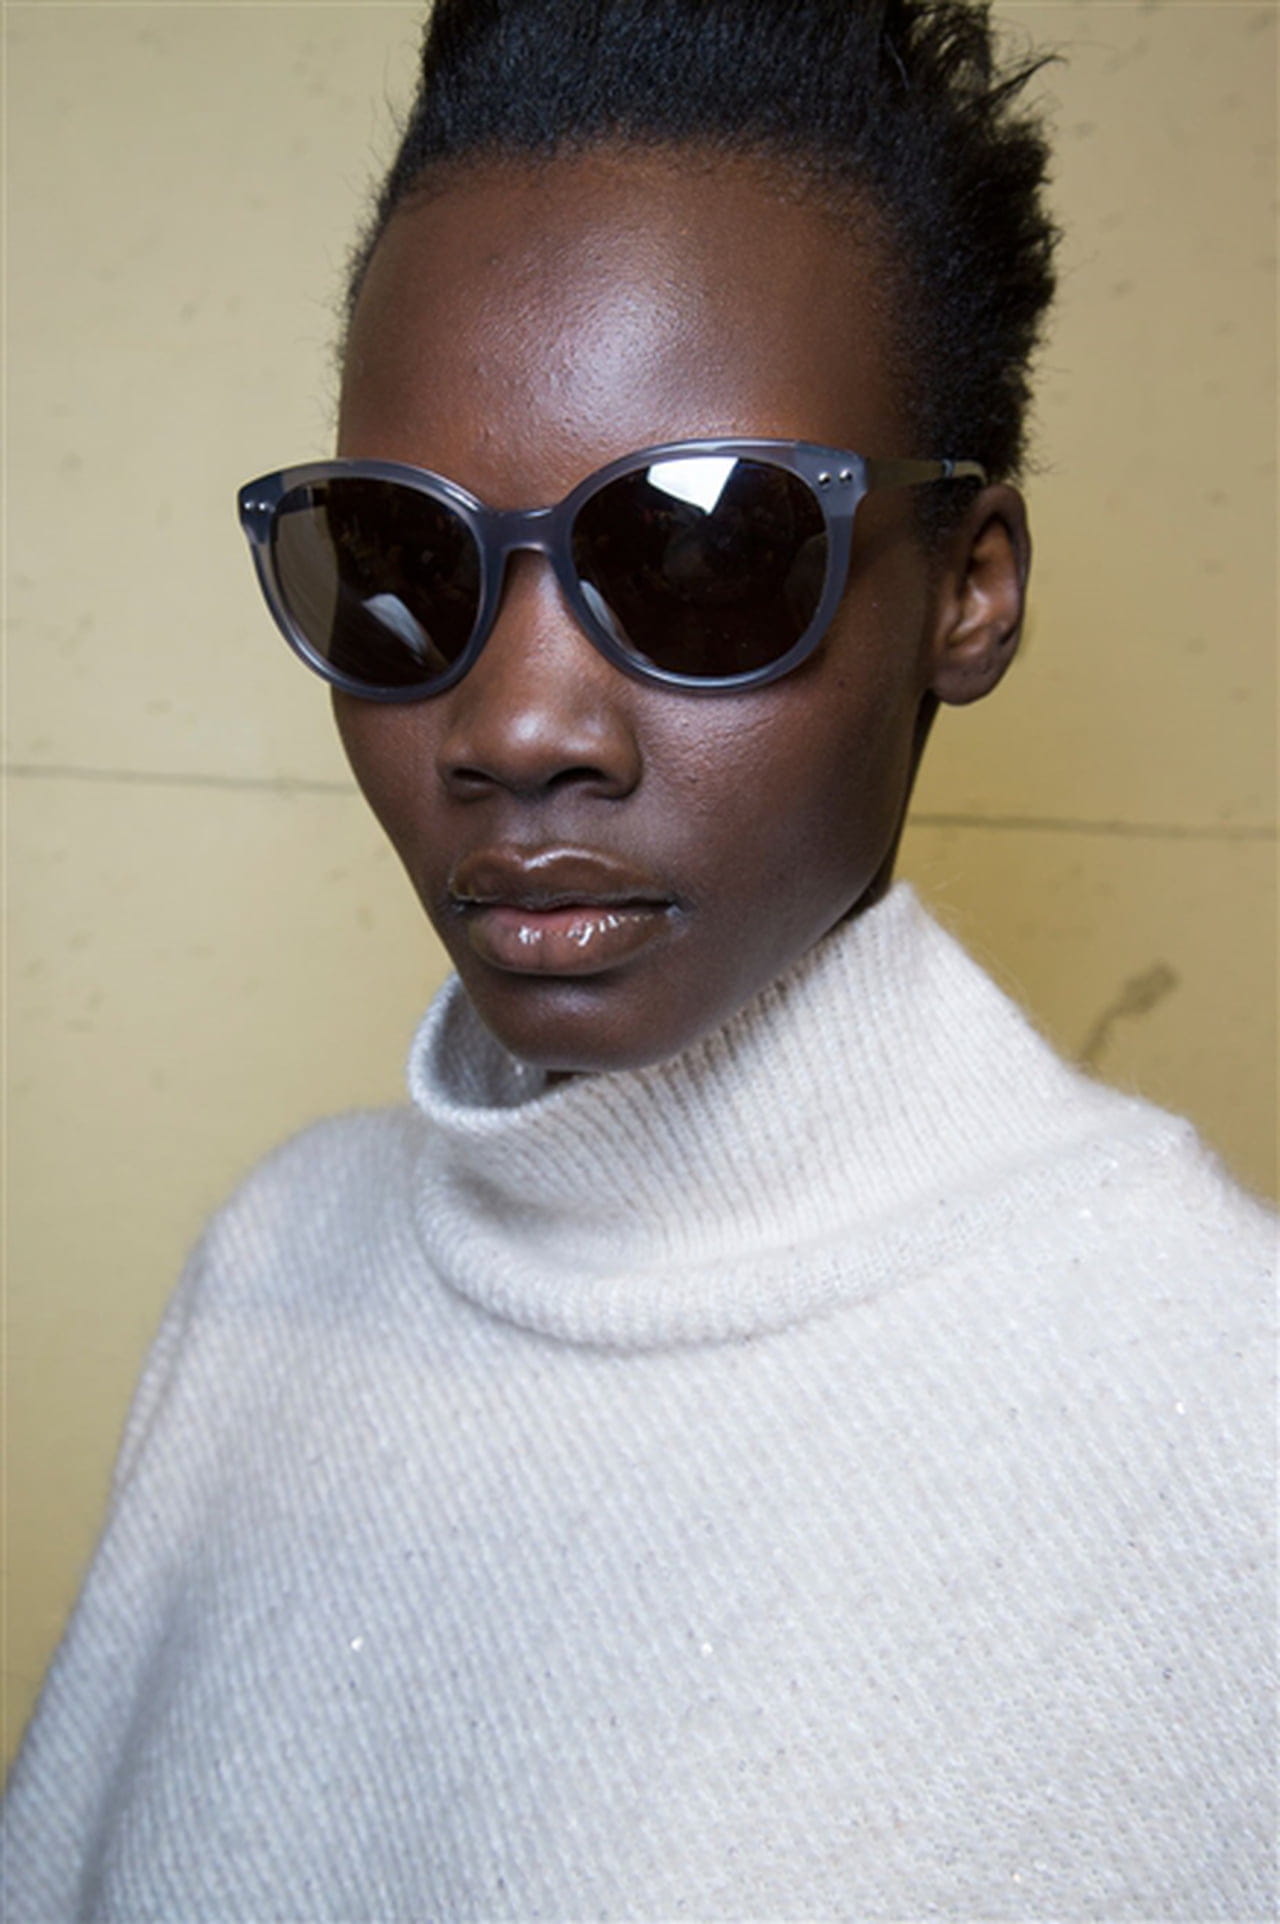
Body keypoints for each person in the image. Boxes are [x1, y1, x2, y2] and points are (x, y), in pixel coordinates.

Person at [4, 0, 1274, 1917]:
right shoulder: (274, 1269)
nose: (518, 725)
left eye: (699, 557)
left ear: (971, 587)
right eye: (402, 562)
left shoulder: (1218, 1407)